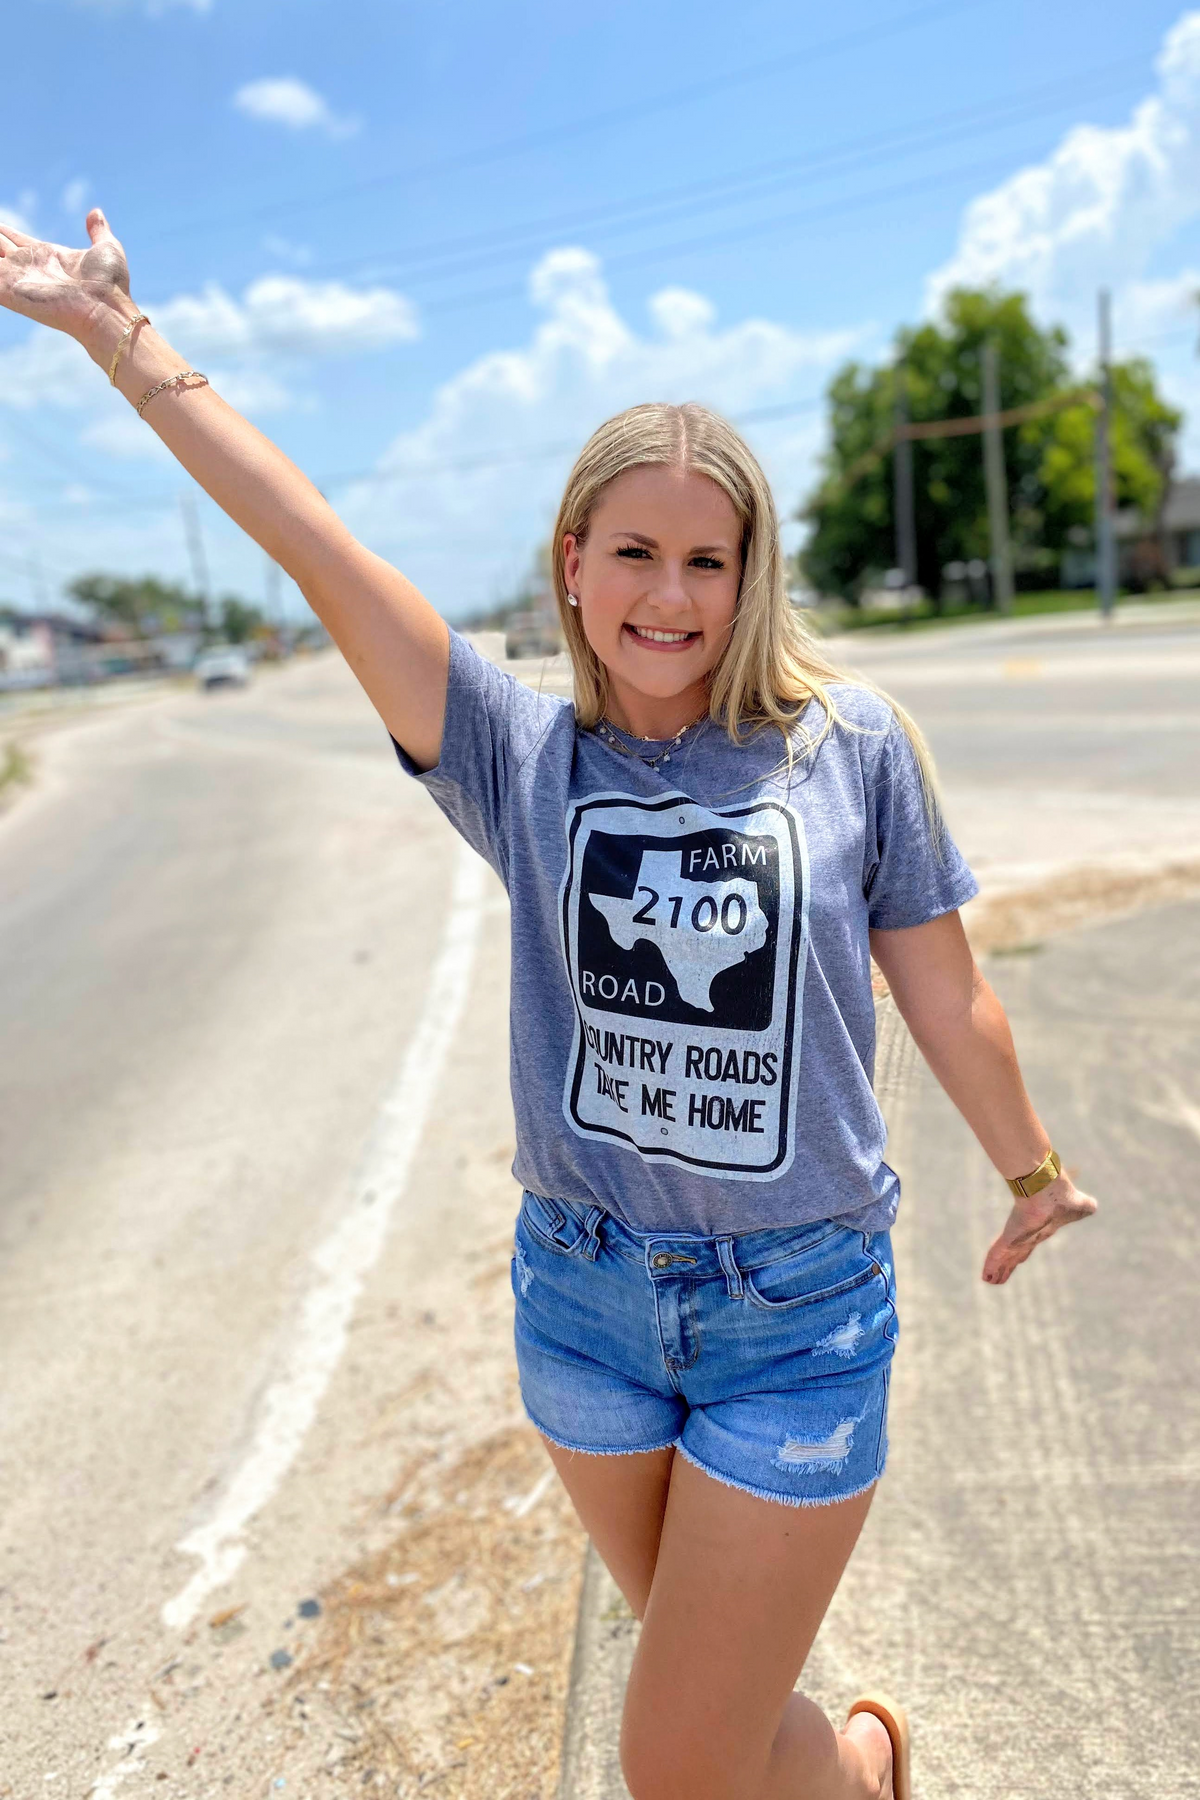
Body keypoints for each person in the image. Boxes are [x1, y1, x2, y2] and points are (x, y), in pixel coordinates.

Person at [0, 210, 1097, 1800]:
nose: (670, 593)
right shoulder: (521, 759)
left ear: (750, 576)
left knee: (676, 1761)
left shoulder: (848, 747)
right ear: (571, 565)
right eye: (632, 552)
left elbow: (949, 989)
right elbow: (314, 545)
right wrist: (120, 339)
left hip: (796, 1315)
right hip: (585, 1306)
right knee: (711, 1725)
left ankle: (859, 1765)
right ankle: (865, 1770)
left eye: (707, 559)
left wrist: (1032, 1173)